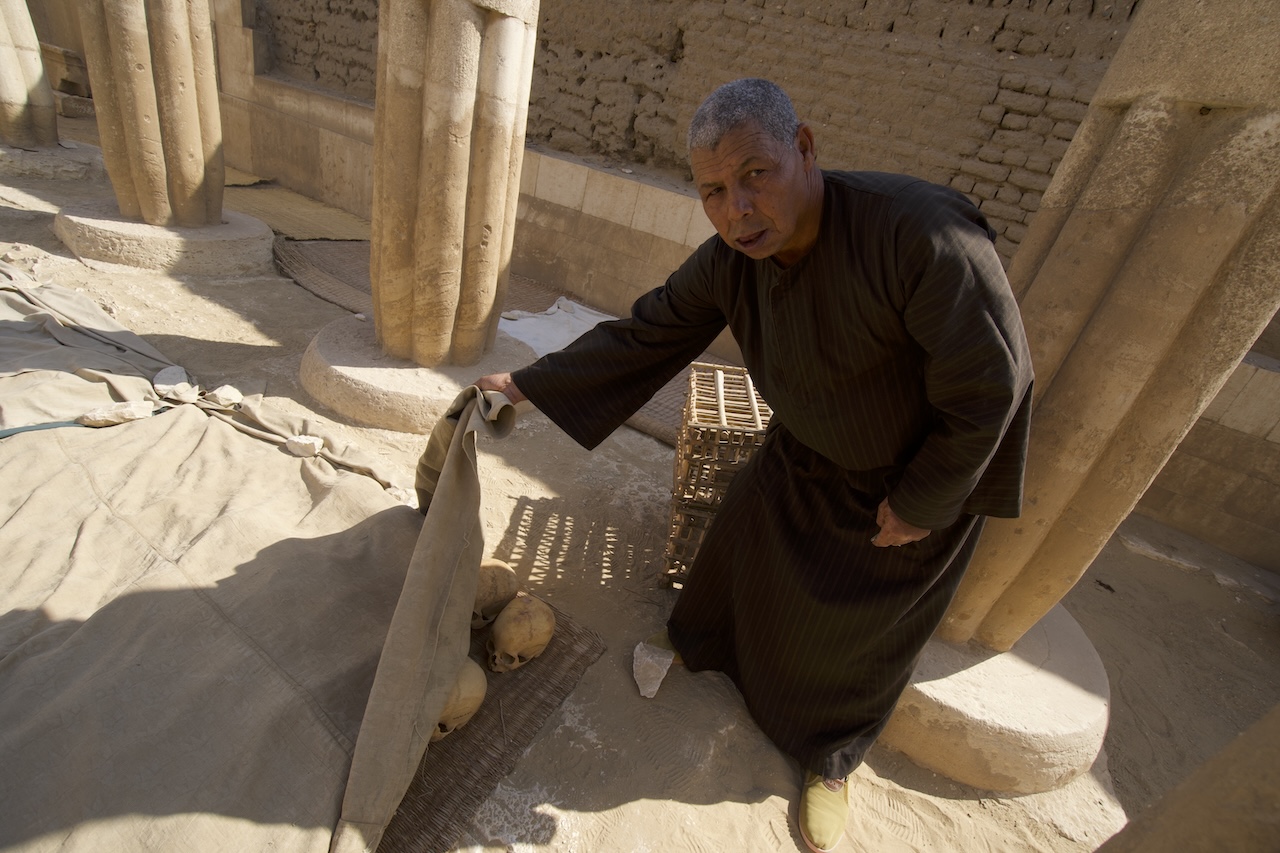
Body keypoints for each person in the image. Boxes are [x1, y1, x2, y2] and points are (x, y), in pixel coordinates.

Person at [478, 78, 1033, 853]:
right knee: (736, 549)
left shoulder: (918, 236)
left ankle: (832, 759)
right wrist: (528, 383)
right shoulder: (730, 262)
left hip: (904, 483)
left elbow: (992, 386)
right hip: (800, 453)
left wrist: (925, 499)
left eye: (755, 176)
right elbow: (647, 333)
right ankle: (702, 645)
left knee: (857, 641)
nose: (736, 208)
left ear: (804, 148)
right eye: (712, 190)